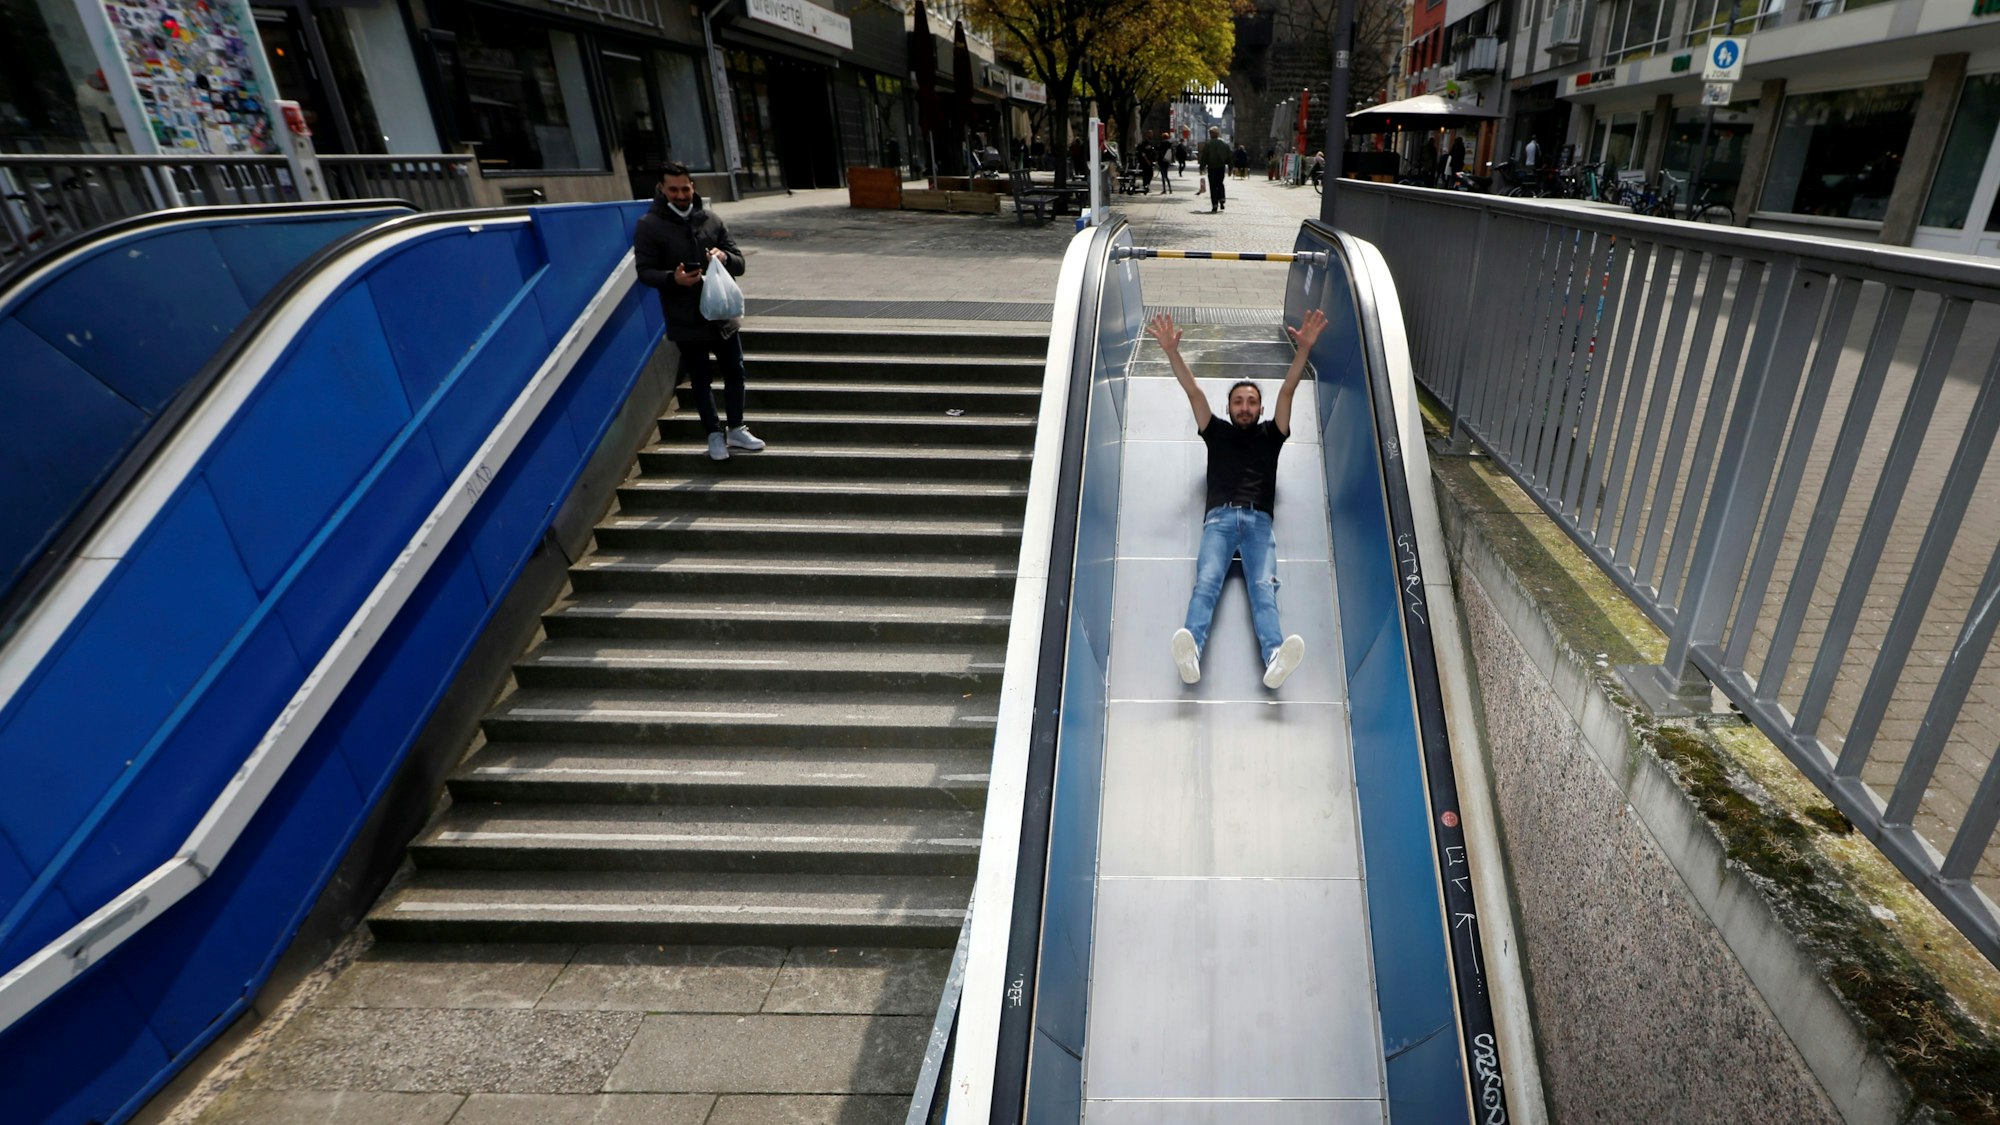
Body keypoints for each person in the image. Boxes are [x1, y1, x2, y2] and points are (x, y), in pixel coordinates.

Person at [1148, 308, 1328, 690]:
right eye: (1237, 402)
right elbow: (1193, 391)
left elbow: (1288, 389)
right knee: (1208, 581)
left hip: (1259, 524)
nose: (1244, 407)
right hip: (1219, 521)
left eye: (1250, 402)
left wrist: (1304, 350)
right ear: (1229, 408)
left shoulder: (1272, 434)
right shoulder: (1216, 432)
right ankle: (1191, 651)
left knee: (1263, 588)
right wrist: (1171, 352)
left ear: (1260, 409)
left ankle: (1275, 655)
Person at [633, 162, 762, 462]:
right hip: (685, 317)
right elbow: (644, 272)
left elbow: (740, 263)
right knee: (701, 379)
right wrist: (672, 279)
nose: (681, 195)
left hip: (722, 315)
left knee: (735, 372)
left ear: (692, 186)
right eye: (674, 189)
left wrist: (724, 256)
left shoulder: (711, 220)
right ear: (662, 190)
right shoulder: (649, 226)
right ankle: (713, 433)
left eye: (685, 188)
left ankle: (736, 428)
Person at [1200, 126, 1231, 212]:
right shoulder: (1224, 144)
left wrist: (1202, 167)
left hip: (1212, 167)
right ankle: (1222, 199)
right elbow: (1229, 156)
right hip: (1221, 167)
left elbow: (1204, 157)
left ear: (1211, 134)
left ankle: (1214, 204)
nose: (1210, 135)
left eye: (1210, 133)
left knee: (1213, 186)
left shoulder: (1209, 144)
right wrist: (1230, 168)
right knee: (1220, 183)